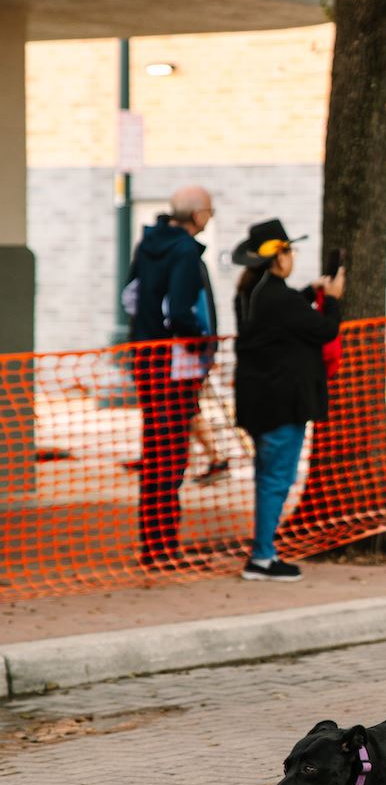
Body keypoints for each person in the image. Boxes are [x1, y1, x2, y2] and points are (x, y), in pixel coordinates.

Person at [232, 219, 344, 581]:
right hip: (281, 404)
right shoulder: (277, 298)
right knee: (276, 480)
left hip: (258, 401)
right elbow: (323, 329)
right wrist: (333, 300)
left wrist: (311, 291)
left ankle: (263, 552)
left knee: (268, 477)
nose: (292, 257)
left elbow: (287, 314)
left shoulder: (252, 293)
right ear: (278, 258)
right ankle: (263, 557)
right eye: (289, 251)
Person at [124, 183, 218, 570]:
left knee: (156, 452)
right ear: (197, 215)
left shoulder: (146, 246)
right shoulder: (183, 252)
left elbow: (131, 297)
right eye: (209, 211)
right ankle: (163, 546)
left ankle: (154, 541)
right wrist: (201, 344)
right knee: (171, 455)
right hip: (174, 368)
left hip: (148, 361)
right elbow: (179, 311)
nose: (210, 217)